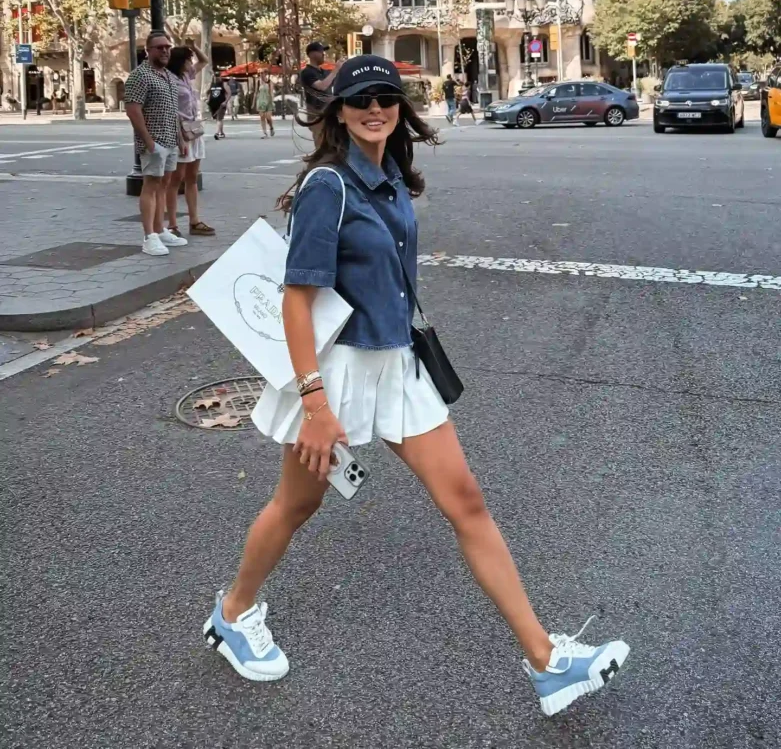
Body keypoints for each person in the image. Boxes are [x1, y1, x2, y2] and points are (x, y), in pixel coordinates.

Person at [202, 53, 629, 716]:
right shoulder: (327, 186)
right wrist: (314, 403)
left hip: (397, 366)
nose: (375, 108)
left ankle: (546, 661)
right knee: (295, 506)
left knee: (467, 503)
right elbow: (295, 300)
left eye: (386, 97)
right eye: (360, 99)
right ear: (337, 112)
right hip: (334, 372)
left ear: (400, 108)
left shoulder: (392, 177)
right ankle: (232, 612)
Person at [124, 31, 189, 257]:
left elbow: (174, 112)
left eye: (167, 47)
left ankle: (160, 231)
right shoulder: (139, 76)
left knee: (164, 185)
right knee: (150, 186)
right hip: (154, 142)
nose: (165, 51)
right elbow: (133, 110)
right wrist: (149, 142)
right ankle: (149, 236)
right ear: (148, 50)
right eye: (159, 47)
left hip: (171, 140)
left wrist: (181, 139)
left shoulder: (170, 77)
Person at [165, 44, 215, 238]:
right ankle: (172, 224)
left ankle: (194, 220)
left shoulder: (187, 76)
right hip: (180, 133)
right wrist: (179, 139)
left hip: (193, 130)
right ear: (180, 61)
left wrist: (194, 47)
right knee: (175, 180)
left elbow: (204, 61)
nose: (190, 62)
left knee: (192, 177)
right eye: (187, 59)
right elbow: (171, 111)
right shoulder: (170, 80)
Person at [207, 70, 231, 139]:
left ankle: (217, 133)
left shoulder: (224, 84)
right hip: (212, 104)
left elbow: (229, 93)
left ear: (220, 77)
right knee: (218, 119)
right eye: (215, 76)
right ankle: (222, 132)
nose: (217, 78)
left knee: (219, 119)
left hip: (221, 104)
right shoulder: (211, 84)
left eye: (218, 76)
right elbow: (207, 92)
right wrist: (207, 99)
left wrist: (225, 102)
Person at [255, 70, 275, 138]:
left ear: (266, 73)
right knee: (262, 117)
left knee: (268, 117)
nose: (261, 74)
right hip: (260, 101)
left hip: (268, 101)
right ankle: (264, 132)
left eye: (262, 73)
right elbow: (256, 92)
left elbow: (271, 93)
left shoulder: (270, 82)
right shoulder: (258, 82)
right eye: (260, 73)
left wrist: (272, 101)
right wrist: (253, 102)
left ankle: (271, 127)